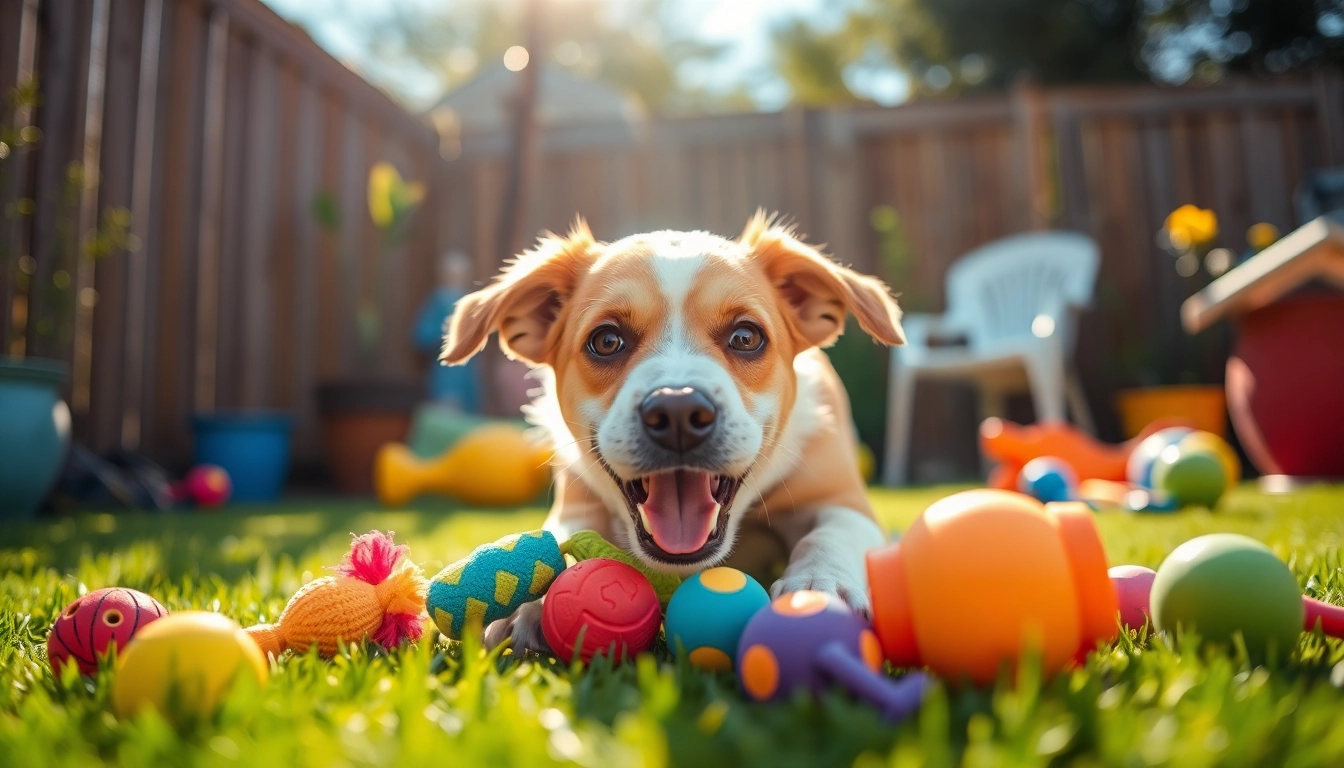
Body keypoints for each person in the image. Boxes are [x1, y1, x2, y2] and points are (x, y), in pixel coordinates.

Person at [414, 250, 481, 411]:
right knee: (448, 406)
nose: (457, 278)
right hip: (446, 369)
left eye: (461, 274)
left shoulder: (469, 299)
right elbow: (422, 335)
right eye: (453, 273)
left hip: (468, 370)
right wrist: (442, 336)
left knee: (468, 407)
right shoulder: (439, 301)